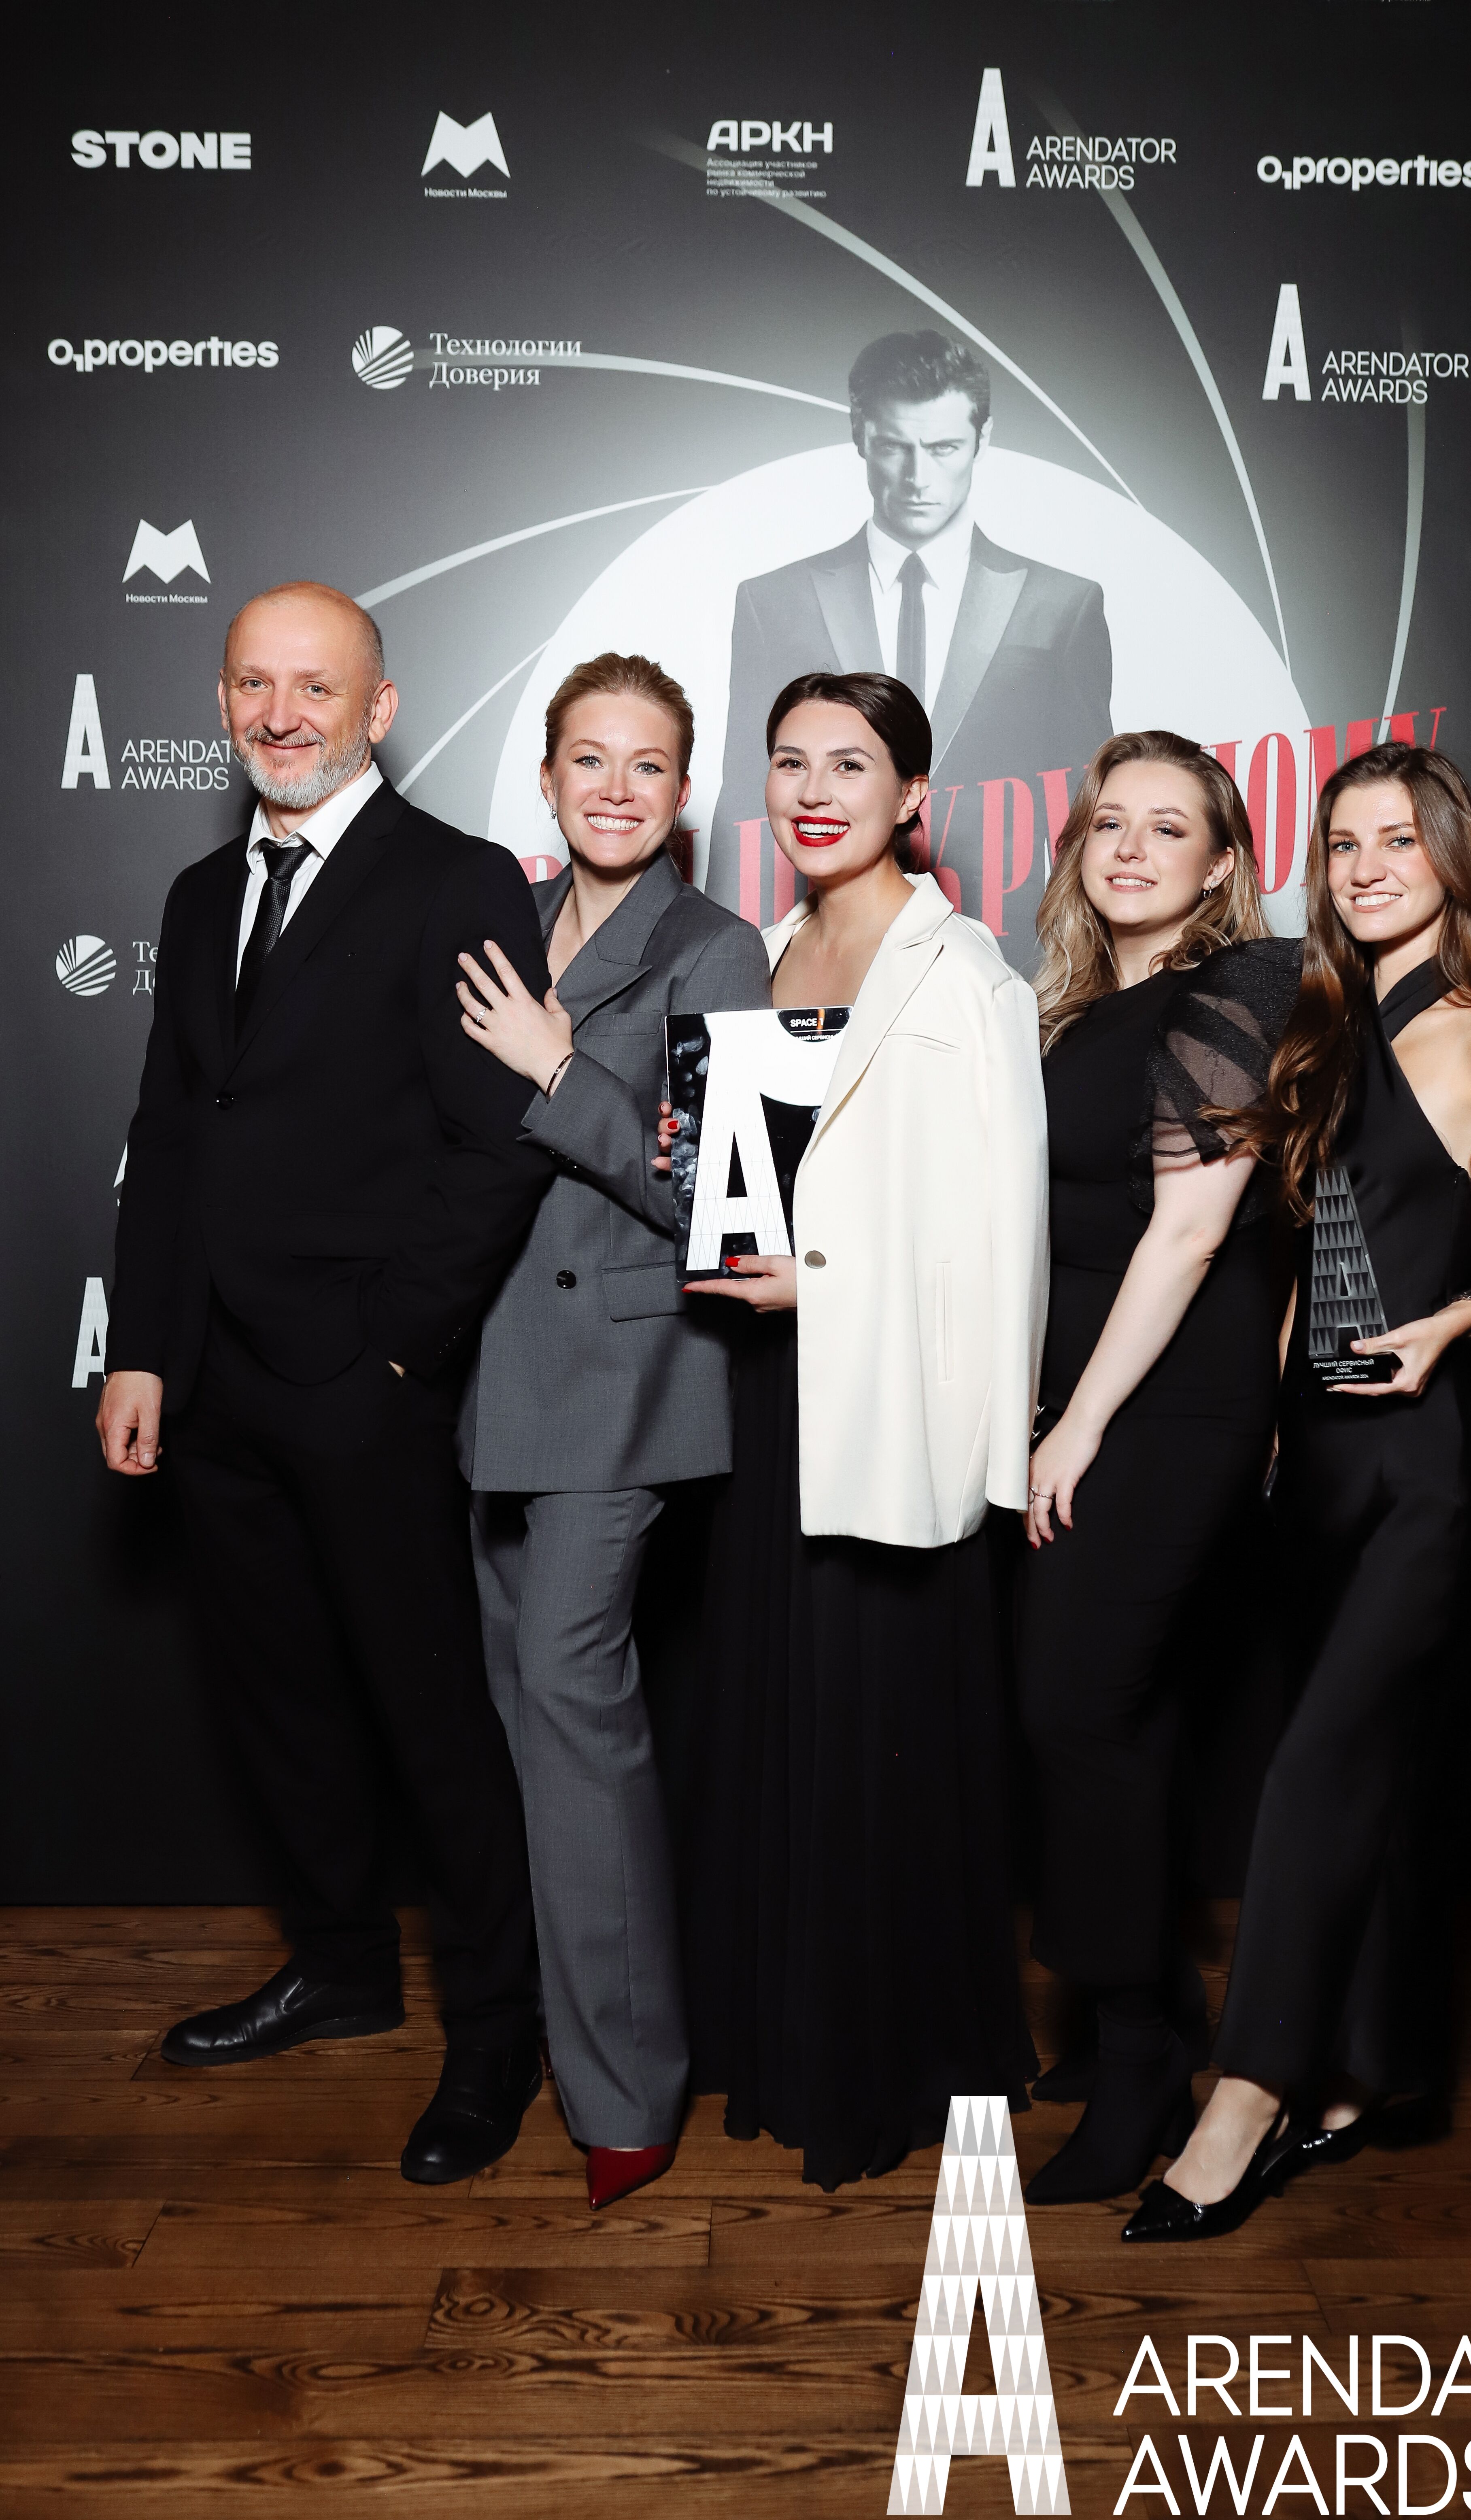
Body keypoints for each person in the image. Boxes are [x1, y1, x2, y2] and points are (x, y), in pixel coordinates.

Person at [96, 581, 557, 2184]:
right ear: (224, 699)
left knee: (430, 1714)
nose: (280, 714)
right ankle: (344, 1964)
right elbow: (174, 1130)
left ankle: (497, 2029)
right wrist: (146, 1343)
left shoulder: (458, 879)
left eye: (314, 686)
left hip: (366, 1381)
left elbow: (500, 1141)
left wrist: (397, 1348)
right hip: (217, 1377)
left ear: (379, 707)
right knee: (280, 1698)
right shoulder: (197, 891)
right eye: (254, 684)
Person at [1124, 743, 1471, 2243]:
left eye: (1399, 839)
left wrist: (1460, 1318)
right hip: (1313, 1461)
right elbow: (1294, 1245)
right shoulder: (1318, 1025)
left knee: (1312, 1774)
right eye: (1343, 843)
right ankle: (1365, 2070)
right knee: (1369, 1774)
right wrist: (1266, 1420)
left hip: (1416, 1469)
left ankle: (1249, 2095)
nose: (1368, 866)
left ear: (1454, 856)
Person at [679, 669, 1049, 2190]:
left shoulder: (965, 974)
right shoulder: (762, 950)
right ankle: (778, 2035)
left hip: (891, 1403)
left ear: (913, 796)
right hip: (762, 1394)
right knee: (777, 1721)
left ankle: (880, 2063)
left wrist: (985, 1464)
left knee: (876, 1737)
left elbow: (999, 1235)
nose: (814, 790)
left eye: (850, 764)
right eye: (789, 762)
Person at [449, 653, 771, 2211]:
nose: (618, 789)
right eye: (591, 758)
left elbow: (728, 1195)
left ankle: (628, 2089)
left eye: (649, 765)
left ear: (684, 790)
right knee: (527, 1723)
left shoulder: (719, 947)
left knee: (575, 1713)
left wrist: (560, 1070)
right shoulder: (499, 922)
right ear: (548, 775)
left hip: (623, 1383)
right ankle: (568, 2039)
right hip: (483, 1375)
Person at [1014, 732, 1299, 2204]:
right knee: (1107, 1719)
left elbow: (1191, 1233)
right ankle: (1157, 2011)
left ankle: (1137, 2060)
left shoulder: (1240, 985)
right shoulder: (1073, 1012)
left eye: (1166, 827)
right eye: (1107, 822)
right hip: (1082, 1394)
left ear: (1220, 860)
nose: (1128, 848)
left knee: (1078, 1709)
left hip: (1164, 1406)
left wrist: (1079, 1423)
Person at [705, 332, 1112, 973]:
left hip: (1012, 959)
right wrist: (724, 972)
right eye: (896, 447)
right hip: (819, 955)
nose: (918, 477)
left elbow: (1086, 810)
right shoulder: (773, 601)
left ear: (983, 439)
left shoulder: (1062, 605)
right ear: (861, 436)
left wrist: (1082, 977)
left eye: (943, 448)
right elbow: (740, 806)